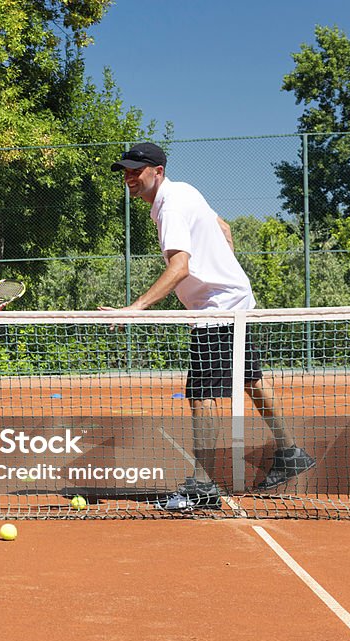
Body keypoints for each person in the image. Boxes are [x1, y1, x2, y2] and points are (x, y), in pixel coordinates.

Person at [103, 143, 315, 511]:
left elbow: (180, 267)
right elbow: (224, 227)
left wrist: (135, 307)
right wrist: (225, 272)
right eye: (126, 171)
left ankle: (202, 484)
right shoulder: (186, 191)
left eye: (136, 171)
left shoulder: (169, 206)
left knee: (202, 393)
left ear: (158, 171)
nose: (129, 178)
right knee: (251, 379)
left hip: (215, 310)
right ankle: (290, 451)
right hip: (234, 301)